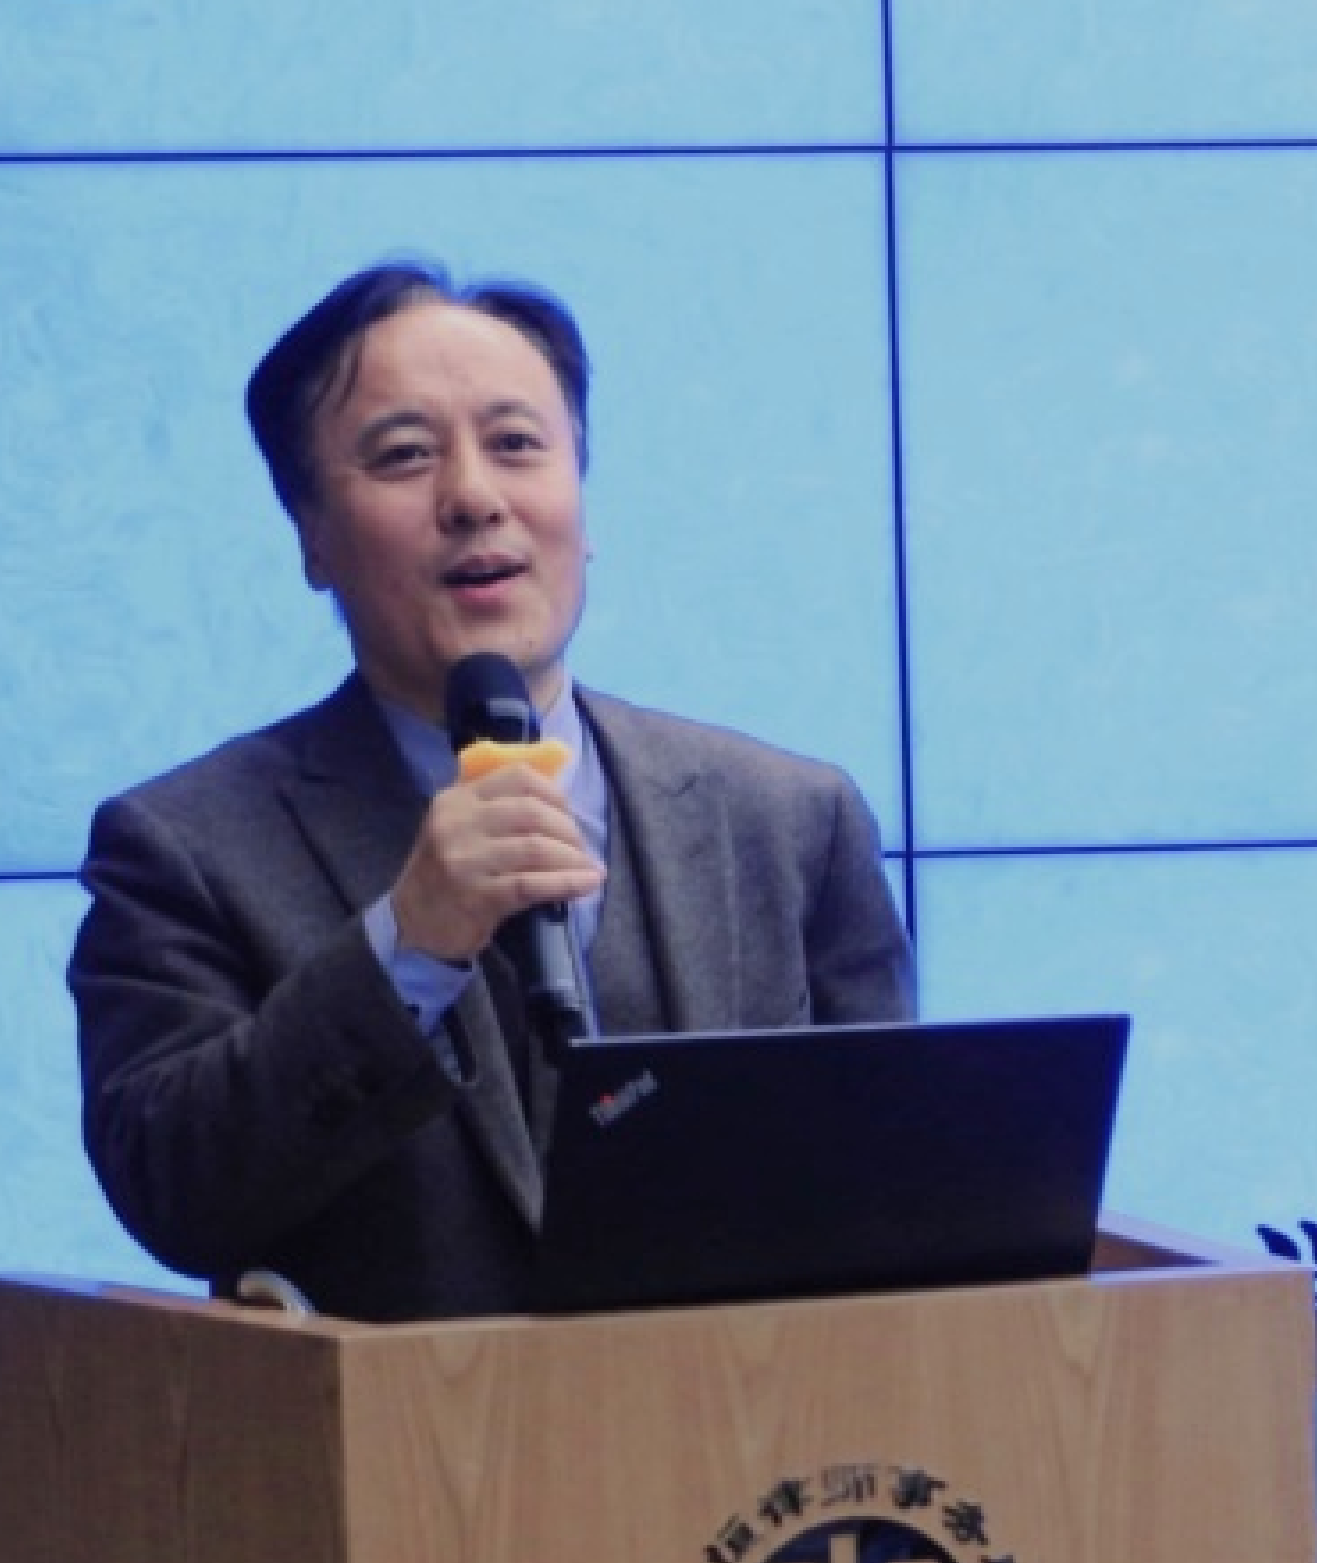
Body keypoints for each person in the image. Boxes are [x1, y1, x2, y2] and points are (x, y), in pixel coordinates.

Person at [70, 260, 910, 1319]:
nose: (474, 497)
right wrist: (406, 948)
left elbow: (893, 1194)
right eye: (405, 455)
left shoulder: (789, 820)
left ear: (582, 502)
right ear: (311, 535)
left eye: (517, 444)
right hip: (391, 1426)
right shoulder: (183, 845)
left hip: (742, 1421)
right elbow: (175, 1190)